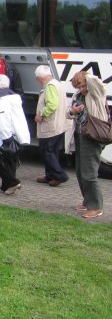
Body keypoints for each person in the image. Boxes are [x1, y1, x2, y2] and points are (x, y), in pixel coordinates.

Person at [67, 71, 106, 219]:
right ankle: (87, 201)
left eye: (83, 86)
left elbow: (96, 82)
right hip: (79, 135)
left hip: (92, 136)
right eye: (79, 86)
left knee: (89, 173)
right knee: (80, 171)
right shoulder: (78, 95)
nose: (82, 89)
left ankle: (96, 206)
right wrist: (72, 111)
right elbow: (67, 113)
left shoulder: (95, 92)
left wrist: (85, 76)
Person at [0, 74, 31, 195]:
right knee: (10, 160)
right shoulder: (14, 98)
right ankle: (6, 185)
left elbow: (3, 119)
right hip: (17, 133)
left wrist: (6, 138)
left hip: (4, 135)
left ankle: (12, 182)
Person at [34, 65, 70, 187]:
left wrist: (41, 114)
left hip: (51, 125)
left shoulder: (50, 87)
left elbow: (52, 105)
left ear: (40, 78)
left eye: (37, 79)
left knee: (46, 151)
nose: (37, 81)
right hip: (59, 124)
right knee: (52, 151)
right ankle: (50, 175)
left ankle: (60, 175)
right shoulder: (57, 84)